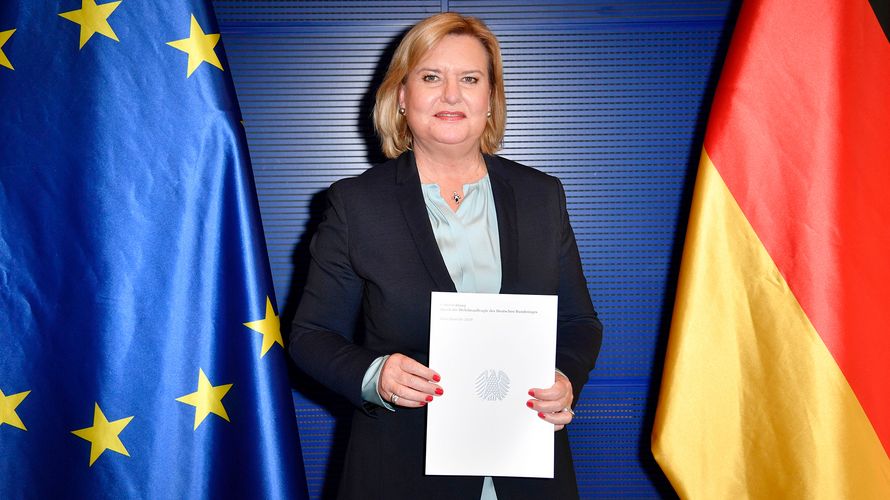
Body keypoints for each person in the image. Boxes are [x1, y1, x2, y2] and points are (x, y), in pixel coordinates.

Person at [289, 12, 603, 499]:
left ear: (491, 99)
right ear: (401, 97)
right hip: (399, 472)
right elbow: (310, 336)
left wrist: (564, 377)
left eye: (470, 79)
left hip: (527, 471)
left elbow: (581, 321)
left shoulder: (542, 196)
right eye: (431, 77)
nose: (451, 95)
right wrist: (376, 375)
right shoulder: (355, 204)